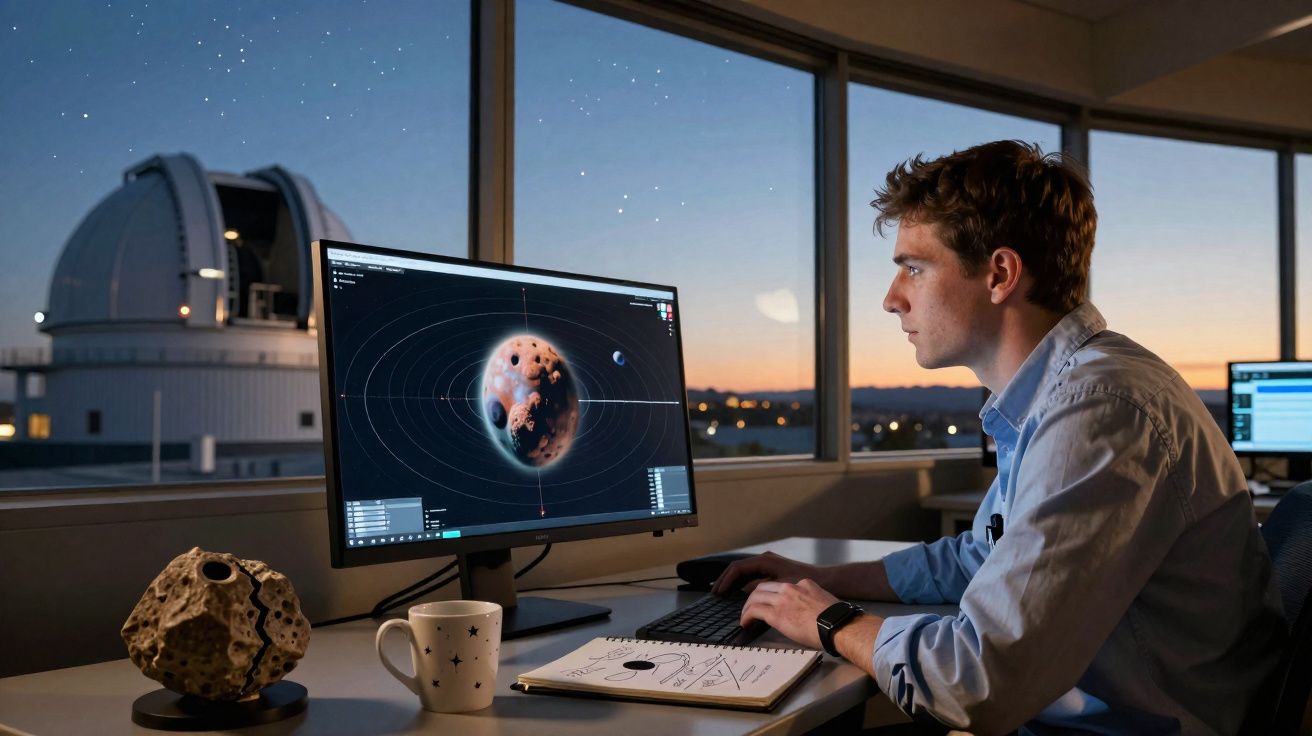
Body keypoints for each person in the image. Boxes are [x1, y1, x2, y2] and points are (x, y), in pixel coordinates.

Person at [712, 140, 1286, 735]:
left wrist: (830, 622)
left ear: (1000, 274)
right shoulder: (1060, 396)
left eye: (914, 267)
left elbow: (977, 684)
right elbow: (978, 557)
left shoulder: (1100, 410)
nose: (891, 299)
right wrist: (827, 579)